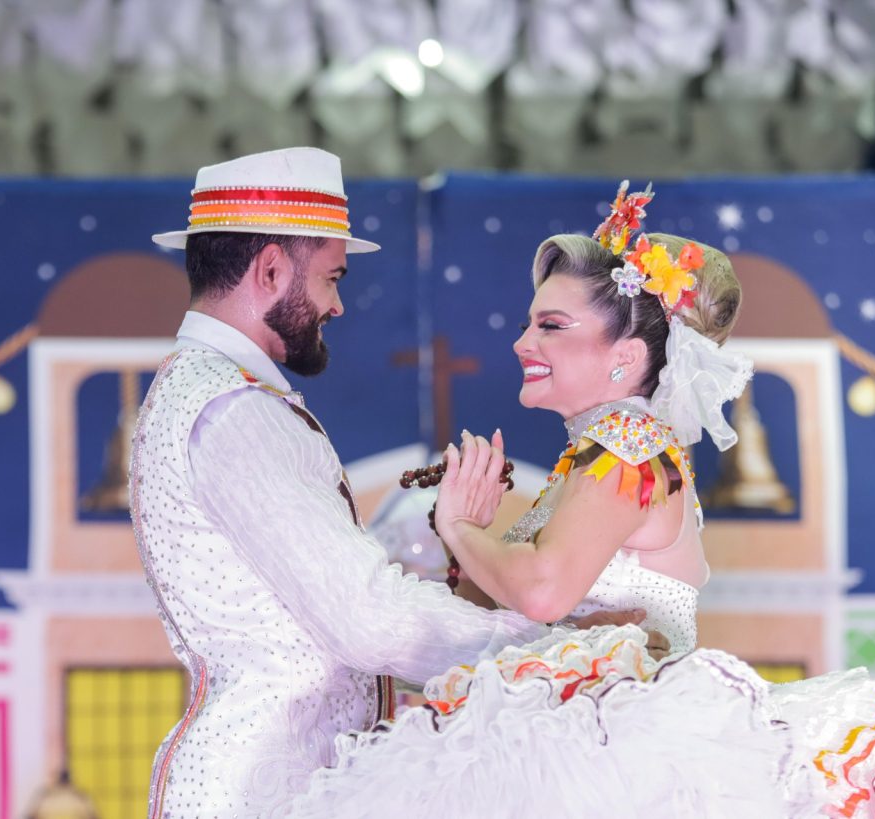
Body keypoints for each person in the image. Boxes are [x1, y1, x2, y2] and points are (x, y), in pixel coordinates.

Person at [288, 182, 875, 818]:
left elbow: (545, 593)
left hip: (621, 752)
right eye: (530, 323)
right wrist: (474, 540)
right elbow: (516, 613)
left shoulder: (627, 448)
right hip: (591, 738)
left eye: (551, 325)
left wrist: (461, 526)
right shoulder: (595, 455)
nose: (523, 342)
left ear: (627, 356)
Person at [130, 147, 574, 817]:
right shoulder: (234, 412)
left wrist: (458, 540)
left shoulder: (208, 392)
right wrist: (557, 653)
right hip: (260, 795)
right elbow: (369, 620)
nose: (337, 305)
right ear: (271, 269)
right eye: (331, 278)